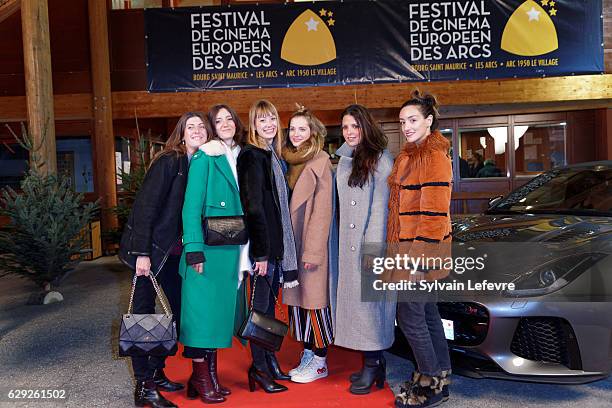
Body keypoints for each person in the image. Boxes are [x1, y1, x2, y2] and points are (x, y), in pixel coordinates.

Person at [119, 111, 207, 408]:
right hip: (152, 252)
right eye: (190, 126)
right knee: (142, 316)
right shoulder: (170, 161)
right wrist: (142, 254)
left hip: (174, 255)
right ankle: (144, 387)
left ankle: (156, 372)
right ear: (181, 134)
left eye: (201, 127)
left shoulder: (199, 165)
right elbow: (145, 208)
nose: (196, 130)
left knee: (179, 313)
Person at [179, 105, 249, 404]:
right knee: (201, 320)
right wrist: (193, 249)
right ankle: (201, 378)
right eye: (217, 120)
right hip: (206, 252)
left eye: (228, 119)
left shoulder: (238, 154)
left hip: (230, 251)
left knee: (216, 317)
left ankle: (207, 377)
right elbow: (191, 207)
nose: (224, 124)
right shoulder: (205, 157)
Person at [387, 90, 452, 408]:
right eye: (402, 121)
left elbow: (434, 217)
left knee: (410, 316)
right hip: (410, 251)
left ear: (429, 120)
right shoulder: (410, 156)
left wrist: (415, 262)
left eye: (413, 120)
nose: (406, 126)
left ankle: (429, 383)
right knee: (426, 315)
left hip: (419, 255)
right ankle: (441, 376)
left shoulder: (433, 157)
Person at [329, 104, 396, 395]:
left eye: (354, 126)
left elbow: (381, 210)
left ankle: (373, 362)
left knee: (370, 308)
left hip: (369, 247)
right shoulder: (344, 160)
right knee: (356, 308)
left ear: (366, 127)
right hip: (345, 244)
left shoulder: (381, 161)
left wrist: (372, 251)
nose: (349, 132)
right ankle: (373, 362)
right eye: (345, 127)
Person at [237, 99, 299, 393]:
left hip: (275, 246)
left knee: (269, 310)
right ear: (253, 125)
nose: (269, 125)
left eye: (272, 119)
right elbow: (254, 208)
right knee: (260, 309)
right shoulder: (252, 156)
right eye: (262, 120)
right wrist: (260, 253)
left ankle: (269, 362)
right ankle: (258, 369)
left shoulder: (273, 155)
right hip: (264, 248)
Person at [281, 105, 334, 384]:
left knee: (314, 304)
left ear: (313, 132)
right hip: (292, 244)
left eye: (303, 128)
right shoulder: (288, 160)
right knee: (298, 305)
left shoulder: (321, 161)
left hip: (310, 245)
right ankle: (307, 354)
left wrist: (312, 251)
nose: (297, 133)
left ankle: (320, 360)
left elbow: (323, 211)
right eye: (293, 128)